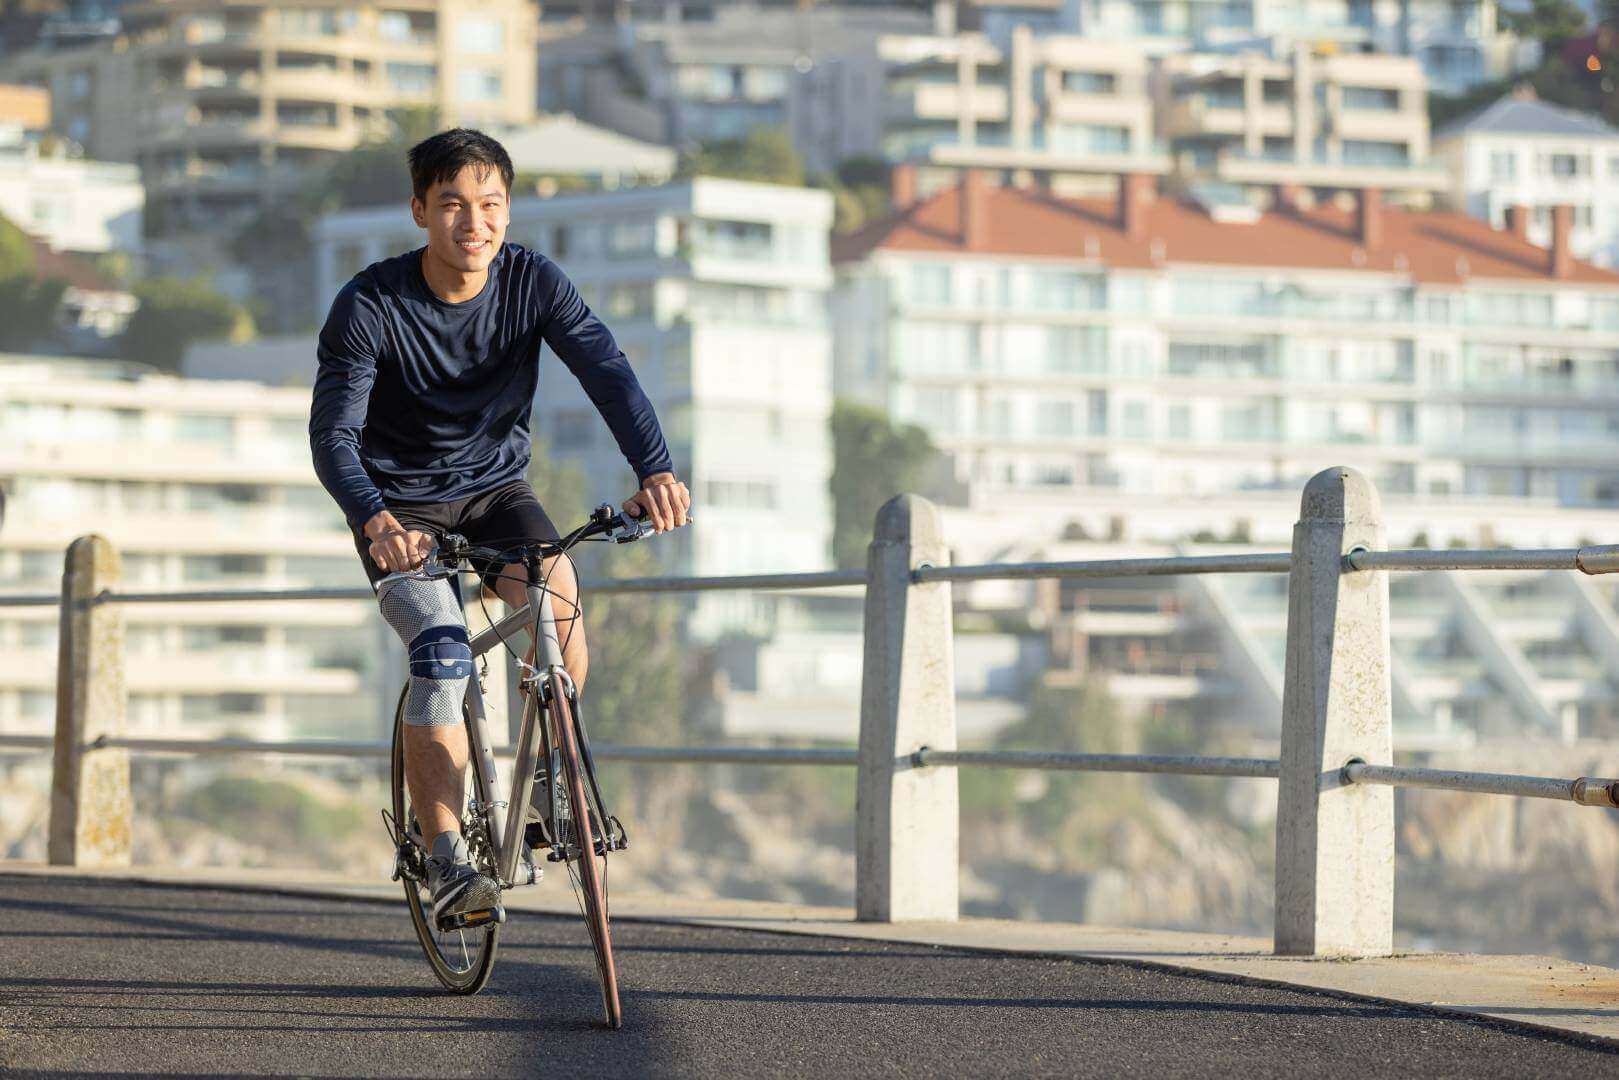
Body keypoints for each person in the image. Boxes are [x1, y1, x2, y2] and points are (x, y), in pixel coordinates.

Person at [309, 128, 691, 925]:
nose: (472, 222)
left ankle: (551, 777)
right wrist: (375, 520)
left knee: (558, 607)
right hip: (400, 511)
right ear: (420, 210)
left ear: (509, 213)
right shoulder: (371, 304)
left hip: (495, 493)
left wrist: (653, 469)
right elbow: (333, 436)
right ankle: (446, 854)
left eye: (489, 205)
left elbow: (606, 372)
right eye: (451, 203)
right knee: (443, 658)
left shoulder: (533, 283)